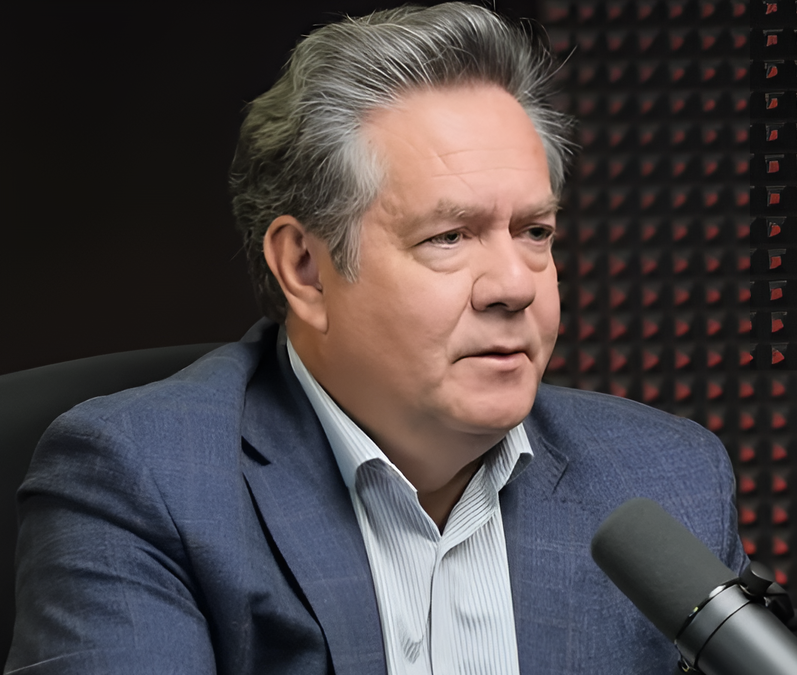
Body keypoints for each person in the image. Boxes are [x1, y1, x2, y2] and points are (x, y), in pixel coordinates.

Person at [6, 4, 746, 674]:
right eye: (449, 236)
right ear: (306, 269)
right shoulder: (144, 482)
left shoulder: (668, 478)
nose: (515, 285)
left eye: (534, 232)